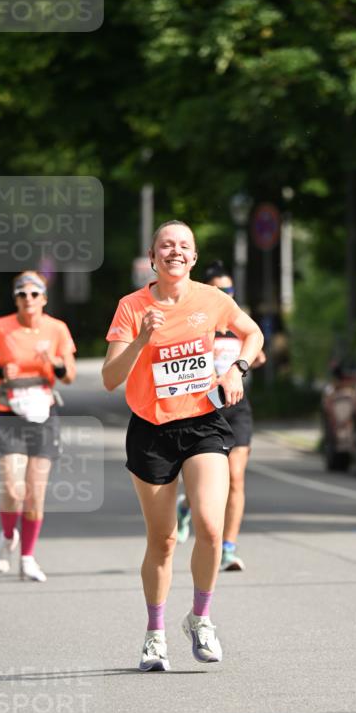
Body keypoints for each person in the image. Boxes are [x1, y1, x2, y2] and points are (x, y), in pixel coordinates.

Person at [102, 220, 263, 672]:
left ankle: (200, 618)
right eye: (166, 245)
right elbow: (111, 379)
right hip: (151, 429)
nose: (175, 251)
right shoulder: (131, 307)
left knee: (212, 528)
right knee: (164, 539)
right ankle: (155, 635)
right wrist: (142, 340)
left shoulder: (212, 299)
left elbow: (252, 333)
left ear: (193, 259)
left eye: (184, 246)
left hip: (203, 423)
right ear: (152, 258)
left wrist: (237, 370)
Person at [0, 271, 77, 581]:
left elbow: (69, 375)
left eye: (34, 294)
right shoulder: (0, 327)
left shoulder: (56, 329)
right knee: (12, 486)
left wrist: (54, 362)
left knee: (35, 493)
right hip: (9, 413)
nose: (28, 299)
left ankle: (28, 557)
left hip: (43, 415)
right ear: (15, 299)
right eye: (22, 294)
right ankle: (8, 535)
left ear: (44, 298)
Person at [177, 262, 266, 572]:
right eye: (218, 290)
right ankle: (187, 506)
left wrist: (239, 365)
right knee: (205, 481)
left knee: (236, 478)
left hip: (237, 406)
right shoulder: (198, 324)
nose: (224, 294)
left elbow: (260, 354)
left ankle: (228, 548)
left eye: (228, 290)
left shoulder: (238, 323)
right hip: (203, 408)